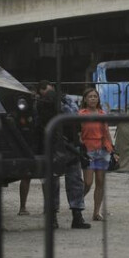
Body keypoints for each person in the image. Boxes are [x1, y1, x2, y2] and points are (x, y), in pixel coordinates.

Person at [34, 82, 91, 229]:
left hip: (69, 147)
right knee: (53, 184)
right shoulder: (40, 105)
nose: (49, 92)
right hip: (52, 148)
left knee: (75, 183)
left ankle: (76, 216)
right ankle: (53, 217)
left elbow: (73, 117)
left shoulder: (66, 101)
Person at [79, 86, 116, 221]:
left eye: (95, 96)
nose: (93, 99)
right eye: (90, 97)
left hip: (102, 150)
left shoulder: (102, 114)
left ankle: (96, 212)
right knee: (88, 182)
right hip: (87, 150)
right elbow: (77, 132)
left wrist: (113, 150)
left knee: (100, 182)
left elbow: (106, 133)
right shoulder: (81, 114)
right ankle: (77, 202)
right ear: (85, 99)